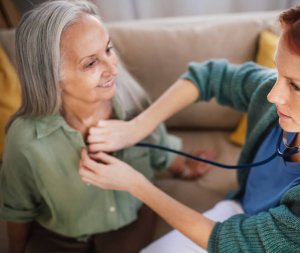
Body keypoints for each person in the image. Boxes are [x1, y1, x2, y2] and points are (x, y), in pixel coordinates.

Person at [79, 0, 300, 252]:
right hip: (240, 215)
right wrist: (136, 128)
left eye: (296, 86)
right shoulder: (277, 100)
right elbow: (209, 77)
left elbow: (228, 243)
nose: (273, 95)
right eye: (278, 72)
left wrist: (135, 184)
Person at [0, 1, 215, 253]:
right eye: (91, 63)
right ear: (50, 76)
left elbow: (158, 148)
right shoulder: (25, 139)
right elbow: (17, 207)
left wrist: (184, 168)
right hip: (60, 238)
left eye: (108, 49)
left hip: (133, 226)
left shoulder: (133, 102)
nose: (113, 67)